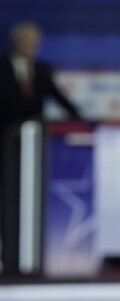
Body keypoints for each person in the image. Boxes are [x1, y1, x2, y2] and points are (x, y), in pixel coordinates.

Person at [0, 22, 80, 274]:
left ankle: (31, 255)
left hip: (34, 149)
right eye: (27, 41)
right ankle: (7, 255)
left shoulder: (42, 70)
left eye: (35, 42)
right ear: (16, 42)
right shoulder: (1, 68)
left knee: (31, 200)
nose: (32, 46)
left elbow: (60, 99)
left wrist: (82, 121)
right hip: (5, 146)